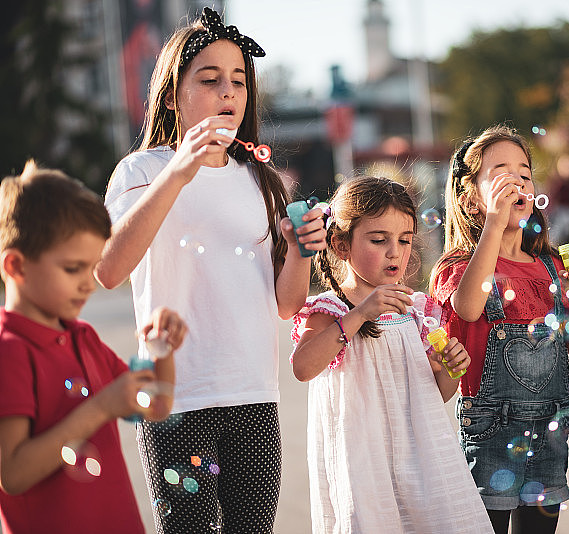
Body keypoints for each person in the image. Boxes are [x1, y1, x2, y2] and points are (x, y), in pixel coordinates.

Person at [95, 8, 327, 533]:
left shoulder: (260, 180)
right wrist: (180, 170)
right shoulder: (142, 170)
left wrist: (300, 251)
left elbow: (286, 304)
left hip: (254, 395)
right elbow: (108, 270)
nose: (228, 92)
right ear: (172, 95)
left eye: (239, 81)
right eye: (210, 79)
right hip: (177, 397)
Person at [290, 176, 493, 533]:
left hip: (421, 457)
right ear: (340, 245)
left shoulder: (416, 310)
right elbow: (303, 367)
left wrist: (451, 371)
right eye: (378, 240)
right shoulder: (332, 309)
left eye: (404, 240)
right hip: (363, 461)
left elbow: (435, 395)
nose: (394, 252)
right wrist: (359, 314)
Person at [429, 124, 569, 534]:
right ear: (471, 200)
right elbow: (468, 306)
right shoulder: (460, 266)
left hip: (550, 433)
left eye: (524, 173)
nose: (517, 182)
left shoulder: (552, 266)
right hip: (490, 432)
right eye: (501, 173)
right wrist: (494, 224)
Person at [0, 162, 186, 534]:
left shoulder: (83, 338)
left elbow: (156, 404)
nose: (89, 284)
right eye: (73, 269)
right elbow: (13, 474)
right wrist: (101, 407)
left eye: (91, 268)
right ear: (16, 266)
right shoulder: (10, 351)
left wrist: (160, 349)